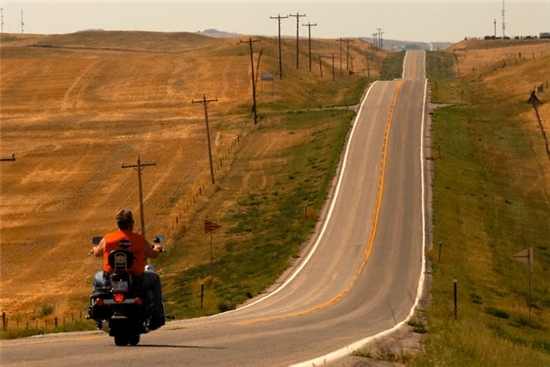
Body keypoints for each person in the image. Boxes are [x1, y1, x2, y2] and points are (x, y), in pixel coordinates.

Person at [92, 209, 165, 330]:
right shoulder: (139, 240)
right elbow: (152, 254)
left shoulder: (107, 239)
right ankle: (158, 315)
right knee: (155, 278)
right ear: (131, 224)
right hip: (136, 279)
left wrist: (94, 249)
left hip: (110, 279)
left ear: (118, 224)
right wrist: (157, 248)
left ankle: (96, 311)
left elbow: (97, 252)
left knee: (96, 279)